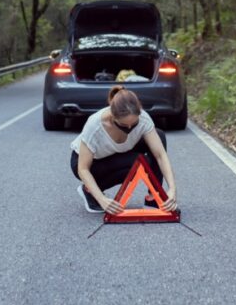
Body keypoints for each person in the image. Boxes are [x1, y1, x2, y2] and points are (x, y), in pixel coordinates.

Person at [69, 85, 178, 214]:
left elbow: (160, 155)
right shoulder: (95, 125)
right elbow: (83, 169)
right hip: (91, 164)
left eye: (134, 124)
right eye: (124, 125)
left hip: (118, 154)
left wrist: (172, 189)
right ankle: (90, 192)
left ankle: (154, 197)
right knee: (139, 162)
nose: (130, 127)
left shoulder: (143, 118)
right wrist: (102, 199)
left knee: (158, 135)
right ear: (113, 116)